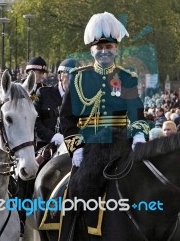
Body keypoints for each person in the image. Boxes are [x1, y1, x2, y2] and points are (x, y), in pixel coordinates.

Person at [59, 12, 149, 240]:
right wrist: (75, 147)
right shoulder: (78, 78)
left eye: (109, 46)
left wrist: (139, 135)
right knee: (76, 194)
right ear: (92, 51)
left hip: (120, 146)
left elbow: (136, 111)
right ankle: (70, 234)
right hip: (89, 148)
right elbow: (67, 118)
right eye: (99, 48)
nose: (104, 51)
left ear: (117, 49)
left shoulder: (126, 78)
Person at [33, 59, 79, 150]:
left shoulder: (81, 99)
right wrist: (52, 136)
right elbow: (34, 121)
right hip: (45, 146)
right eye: (68, 74)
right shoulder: (43, 93)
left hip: (73, 146)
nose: (72, 79)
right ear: (59, 76)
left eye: (76, 76)